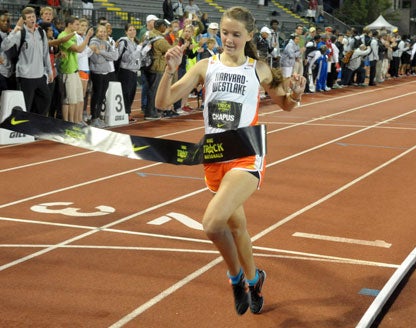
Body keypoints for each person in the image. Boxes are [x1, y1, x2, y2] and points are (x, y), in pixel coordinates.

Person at [155, 6, 306, 315]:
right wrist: (169, 69)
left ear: (248, 35)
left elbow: (287, 105)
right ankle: (254, 278)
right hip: (214, 157)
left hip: (247, 155)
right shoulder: (204, 66)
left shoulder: (258, 69)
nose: (229, 39)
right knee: (237, 228)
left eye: (236, 34)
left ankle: (235, 278)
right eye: (225, 33)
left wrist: (297, 95)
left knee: (212, 223)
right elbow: (162, 103)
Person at [2, 7, 53, 116]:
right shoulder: (20, 33)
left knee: (46, 100)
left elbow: (45, 53)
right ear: (24, 20)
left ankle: (36, 124)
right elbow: (4, 46)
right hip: (26, 76)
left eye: (33, 16)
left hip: (40, 75)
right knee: (26, 106)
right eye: (29, 17)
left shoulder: (41, 32)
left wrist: (50, 71)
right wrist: (15, 29)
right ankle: (25, 128)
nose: (31, 19)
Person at [58, 16, 93, 123]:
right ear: (69, 25)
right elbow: (79, 49)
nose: (79, 27)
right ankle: (68, 123)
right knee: (69, 100)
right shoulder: (64, 36)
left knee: (78, 99)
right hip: (68, 71)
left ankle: (76, 122)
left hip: (75, 70)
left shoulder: (72, 36)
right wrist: (88, 37)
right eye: (77, 24)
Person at [116, 23, 150, 122]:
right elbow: (127, 58)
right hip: (125, 71)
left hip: (134, 71)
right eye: (130, 30)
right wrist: (139, 49)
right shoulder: (124, 42)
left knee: (132, 93)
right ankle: (126, 113)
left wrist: (144, 50)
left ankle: (128, 113)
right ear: (126, 32)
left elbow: (138, 58)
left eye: (134, 30)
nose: (132, 32)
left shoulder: (135, 43)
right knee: (126, 93)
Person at [88, 24, 118, 127]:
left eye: (104, 31)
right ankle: (94, 117)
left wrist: (101, 52)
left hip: (106, 72)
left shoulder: (106, 43)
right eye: (101, 31)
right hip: (97, 73)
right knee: (97, 95)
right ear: (97, 32)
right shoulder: (93, 42)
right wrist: (106, 56)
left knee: (102, 96)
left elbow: (115, 56)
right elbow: (96, 60)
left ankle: (98, 116)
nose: (103, 33)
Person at [145, 19, 173, 119]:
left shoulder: (148, 35)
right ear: (161, 26)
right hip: (157, 67)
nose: (165, 28)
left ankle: (148, 110)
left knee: (150, 89)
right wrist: (177, 41)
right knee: (154, 91)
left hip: (148, 65)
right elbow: (170, 50)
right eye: (164, 26)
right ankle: (151, 112)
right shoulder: (160, 40)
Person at [0, 10, 17, 95]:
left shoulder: (13, 35)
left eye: (8, 21)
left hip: (12, 73)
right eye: (3, 21)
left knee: (11, 98)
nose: (6, 23)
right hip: (1, 72)